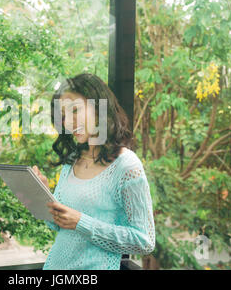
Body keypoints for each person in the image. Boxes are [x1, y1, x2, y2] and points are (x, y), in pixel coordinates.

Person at [32, 73, 155, 270]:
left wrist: (82, 222)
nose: (68, 123)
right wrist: (45, 198)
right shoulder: (72, 160)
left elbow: (144, 241)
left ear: (99, 108)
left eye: (75, 111)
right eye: (63, 116)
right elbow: (57, 226)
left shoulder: (126, 165)